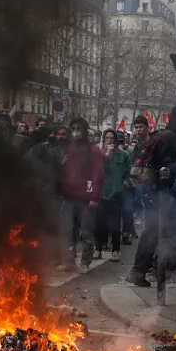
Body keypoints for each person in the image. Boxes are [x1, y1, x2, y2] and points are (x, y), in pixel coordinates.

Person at [129, 108, 176, 286]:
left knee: (154, 232)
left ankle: (145, 271)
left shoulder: (161, 134)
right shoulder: (170, 138)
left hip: (151, 191)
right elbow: (166, 169)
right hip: (159, 194)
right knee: (155, 232)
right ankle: (142, 271)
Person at [61, 117, 104, 274]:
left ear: (85, 130)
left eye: (78, 128)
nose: (75, 131)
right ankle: (69, 261)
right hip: (69, 196)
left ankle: (85, 262)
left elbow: (97, 174)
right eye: (72, 128)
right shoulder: (70, 148)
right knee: (68, 231)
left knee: (86, 232)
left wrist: (94, 196)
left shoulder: (94, 150)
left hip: (85, 198)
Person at [97, 129, 131, 262]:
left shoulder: (124, 155)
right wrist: (106, 156)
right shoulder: (99, 154)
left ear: (116, 140)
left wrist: (122, 186)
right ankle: (98, 248)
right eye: (106, 138)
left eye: (111, 138)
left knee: (115, 226)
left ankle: (115, 250)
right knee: (99, 225)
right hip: (101, 194)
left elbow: (129, 173)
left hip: (116, 196)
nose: (109, 141)